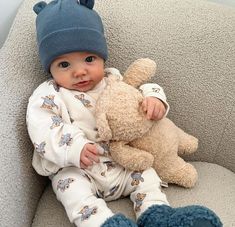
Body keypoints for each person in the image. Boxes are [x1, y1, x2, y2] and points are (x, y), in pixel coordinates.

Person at [27, 0, 222, 226]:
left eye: (89, 59)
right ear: (49, 67)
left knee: (147, 177)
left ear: (102, 58)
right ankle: (102, 222)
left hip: (121, 162)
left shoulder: (113, 79)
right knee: (71, 191)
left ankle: (158, 215)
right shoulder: (49, 95)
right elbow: (42, 129)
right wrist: (75, 148)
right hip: (79, 169)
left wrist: (155, 99)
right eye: (64, 65)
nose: (80, 71)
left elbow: (137, 90)